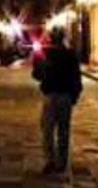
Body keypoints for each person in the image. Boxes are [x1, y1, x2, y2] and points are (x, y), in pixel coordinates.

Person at [31, 27, 83, 174]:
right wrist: (75, 95)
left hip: (51, 95)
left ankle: (50, 160)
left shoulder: (46, 54)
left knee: (48, 130)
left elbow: (37, 75)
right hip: (65, 96)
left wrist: (40, 64)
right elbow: (76, 77)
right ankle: (61, 162)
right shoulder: (70, 54)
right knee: (63, 130)